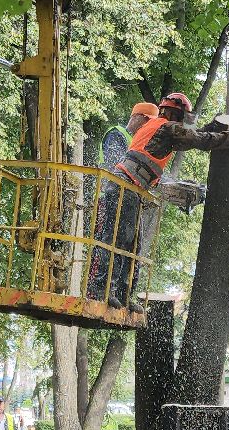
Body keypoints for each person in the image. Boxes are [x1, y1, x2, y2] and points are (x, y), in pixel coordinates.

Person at [88, 92, 207, 308]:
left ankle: (124, 295)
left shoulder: (148, 134)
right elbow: (123, 162)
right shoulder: (122, 134)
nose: (146, 124)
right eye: (145, 120)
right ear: (138, 118)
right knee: (115, 238)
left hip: (134, 189)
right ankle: (100, 290)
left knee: (133, 244)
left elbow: (150, 167)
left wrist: (176, 186)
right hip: (117, 188)